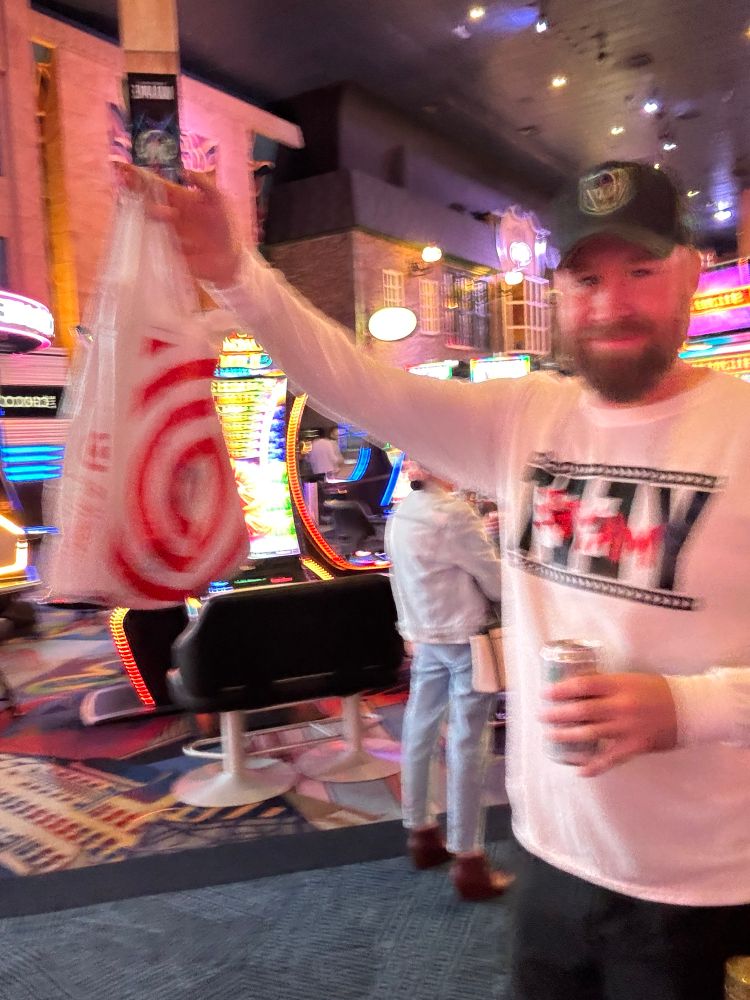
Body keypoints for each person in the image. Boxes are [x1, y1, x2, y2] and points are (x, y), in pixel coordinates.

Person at [123, 160, 750, 999]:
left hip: (698, 878)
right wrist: (237, 271)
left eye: (640, 271)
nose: (612, 305)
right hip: (552, 849)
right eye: (587, 279)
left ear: (691, 271)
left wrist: (688, 707)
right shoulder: (529, 416)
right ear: (558, 291)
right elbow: (357, 384)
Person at [385, 460, 512, 901]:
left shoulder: (402, 513)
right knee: (467, 744)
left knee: (419, 731)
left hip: (424, 635)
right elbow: (497, 585)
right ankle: (468, 858)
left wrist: (410, 631)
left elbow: (398, 581)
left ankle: (420, 833)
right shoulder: (454, 513)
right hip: (466, 639)